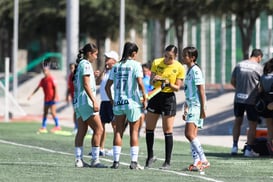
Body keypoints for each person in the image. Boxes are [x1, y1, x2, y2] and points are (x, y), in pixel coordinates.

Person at [105, 42, 147, 170]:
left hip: (118, 102)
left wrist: (112, 100)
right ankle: (133, 162)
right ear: (133, 53)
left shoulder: (116, 66)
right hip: (132, 103)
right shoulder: (136, 65)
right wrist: (144, 96)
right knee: (134, 132)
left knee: (118, 131)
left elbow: (108, 86)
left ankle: (116, 161)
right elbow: (140, 83)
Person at [145, 45, 185, 169]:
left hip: (168, 98)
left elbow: (177, 88)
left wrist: (168, 83)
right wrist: (155, 79)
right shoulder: (157, 62)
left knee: (167, 130)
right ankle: (150, 156)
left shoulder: (179, 67)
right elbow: (151, 81)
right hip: (155, 95)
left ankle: (167, 161)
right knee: (149, 128)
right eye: (166, 56)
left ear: (175, 56)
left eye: (170, 57)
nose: (167, 59)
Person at [73, 43, 106, 168]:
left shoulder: (81, 64)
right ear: (89, 54)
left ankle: (78, 159)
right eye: (95, 54)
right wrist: (94, 100)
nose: (96, 57)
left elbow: (88, 83)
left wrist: (96, 76)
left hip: (79, 103)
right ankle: (95, 160)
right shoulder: (86, 65)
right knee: (99, 129)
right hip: (86, 102)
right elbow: (86, 85)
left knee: (82, 131)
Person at [230, 48, 263, 157]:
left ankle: (234, 147)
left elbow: (232, 81)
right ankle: (248, 150)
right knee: (252, 124)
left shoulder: (239, 65)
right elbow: (262, 85)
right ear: (259, 57)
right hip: (251, 100)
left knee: (237, 121)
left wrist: (239, 89)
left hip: (238, 98)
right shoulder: (259, 67)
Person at [182, 46, 210, 171]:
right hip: (191, 105)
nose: (183, 57)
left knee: (188, 134)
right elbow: (189, 91)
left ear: (193, 57)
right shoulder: (188, 70)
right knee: (192, 135)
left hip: (196, 105)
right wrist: (185, 107)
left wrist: (203, 108)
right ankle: (196, 161)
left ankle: (204, 160)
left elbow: (201, 90)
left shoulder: (196, 70)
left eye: (185, 55)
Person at [93, 50, 119, 156]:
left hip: (112, 101)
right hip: (104, 102)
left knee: (115, 126)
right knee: (101, 126)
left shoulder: (117, 71)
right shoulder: (106, 71)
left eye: (108, 58)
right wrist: (102, 72)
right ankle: (101, 148)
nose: (106, 60)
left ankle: (115, 148)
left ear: (114, 60)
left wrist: (114, 101)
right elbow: (97, 83)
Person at [28, 66, 61, 133]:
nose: (44, 72)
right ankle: (43, 127)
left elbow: (55, 88)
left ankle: (57, 126)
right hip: (47, 99)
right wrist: (31, 95)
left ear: (49, 71)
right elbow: (38, 88)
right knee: (45, 113)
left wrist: (55, 97)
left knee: (53, 112)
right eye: (44, 71)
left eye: (46, 71)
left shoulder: (52, 79)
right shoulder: (43, 80)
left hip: (53, 98)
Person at [258, 58, 273, 152]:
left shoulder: (263, 76)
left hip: (266, 103)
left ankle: (269, 145)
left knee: (269, 126)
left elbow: (261, 90)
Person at [66, 63, 78, 134]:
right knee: (75, 112)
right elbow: (69, 87)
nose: (71, 69)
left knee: (83, 112)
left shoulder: (77, 75)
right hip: (73, 97)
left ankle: (89, 128)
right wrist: (67, 96)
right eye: (70, 68)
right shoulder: (70, 76)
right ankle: (76, 127)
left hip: (79, 97)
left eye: (72, 68)